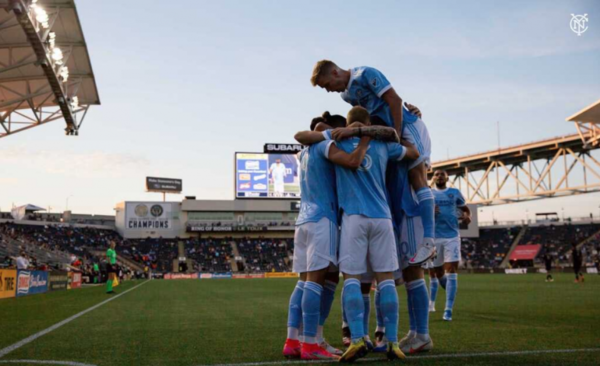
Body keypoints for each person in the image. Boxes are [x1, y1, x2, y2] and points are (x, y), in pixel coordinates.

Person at [311, 60, 436, 266]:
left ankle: (430, 241)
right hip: (387, 134)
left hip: (406, 128)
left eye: (326, 85)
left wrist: (394, 133)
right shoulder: (346, 95)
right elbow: (368, 117)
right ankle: (412, 245)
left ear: (335, 72)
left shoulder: (365, 74)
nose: (328, 91)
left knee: (418, 178)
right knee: (398, 186)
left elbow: (394, 100)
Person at [328, 106, 419, 361]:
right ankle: (392, 341)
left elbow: (307, 136)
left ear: (348, 123)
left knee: (353, 280)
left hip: (354, 217)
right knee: (386, 280)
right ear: (368, 123)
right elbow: (414, 152)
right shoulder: (383, 146)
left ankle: (357, 338)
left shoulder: (338, 142)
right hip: (382, 217)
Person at [283, 115, 352, 361]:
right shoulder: (326, 145)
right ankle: (311, 343)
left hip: (303, 219)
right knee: (317, 280)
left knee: (306, 281)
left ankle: (294, 340)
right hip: (325, 218)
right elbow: (353, 163)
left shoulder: (303, 153)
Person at [428, 170, 470, 322]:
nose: (439, 176)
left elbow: (465, 209)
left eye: (442, 174)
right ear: (433, 179)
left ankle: (448, 310)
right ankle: (450, 291)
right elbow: (419, 212)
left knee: (451, 270)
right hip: (434, 237)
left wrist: (467, 216)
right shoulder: (429, 193)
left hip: (452, 236)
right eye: (436, 174)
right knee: (438, 273)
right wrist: (429, 210)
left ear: (447, 177)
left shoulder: (455, 192)